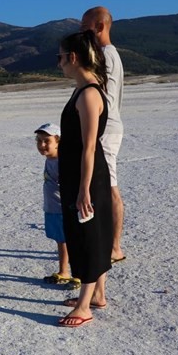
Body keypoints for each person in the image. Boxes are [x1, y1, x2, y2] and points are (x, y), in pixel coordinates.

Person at [56, 31, 114, 327]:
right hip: (78, 174)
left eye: (60, 57)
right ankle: (97, 295)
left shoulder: (90, 93)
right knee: (90, 232)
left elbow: (89, 146)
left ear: (73, 58)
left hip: (87, 177)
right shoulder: (82, 90)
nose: (59, 64)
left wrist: (83, 189)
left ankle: (83, 307)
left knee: (87, 236)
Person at [81, 7, 126, 263]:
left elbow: (95, 94)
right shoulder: (109, 55)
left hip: (105, 128)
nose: (80, 31)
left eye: (84, 27)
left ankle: (114, 247)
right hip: (108, 126)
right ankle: (111, 244)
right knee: (107, 186)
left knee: (109, 188)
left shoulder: (106, 56)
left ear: (99, 26)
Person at [34, 123, 73, 287]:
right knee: (60, 241)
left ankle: (76, 273)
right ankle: (63, 271)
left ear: (58, 142)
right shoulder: (50, 160)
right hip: (52, 208)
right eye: (39, 141)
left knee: (69, 242)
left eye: (47, 141)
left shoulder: (62, 162)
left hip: (63, 209)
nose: (42, 145)